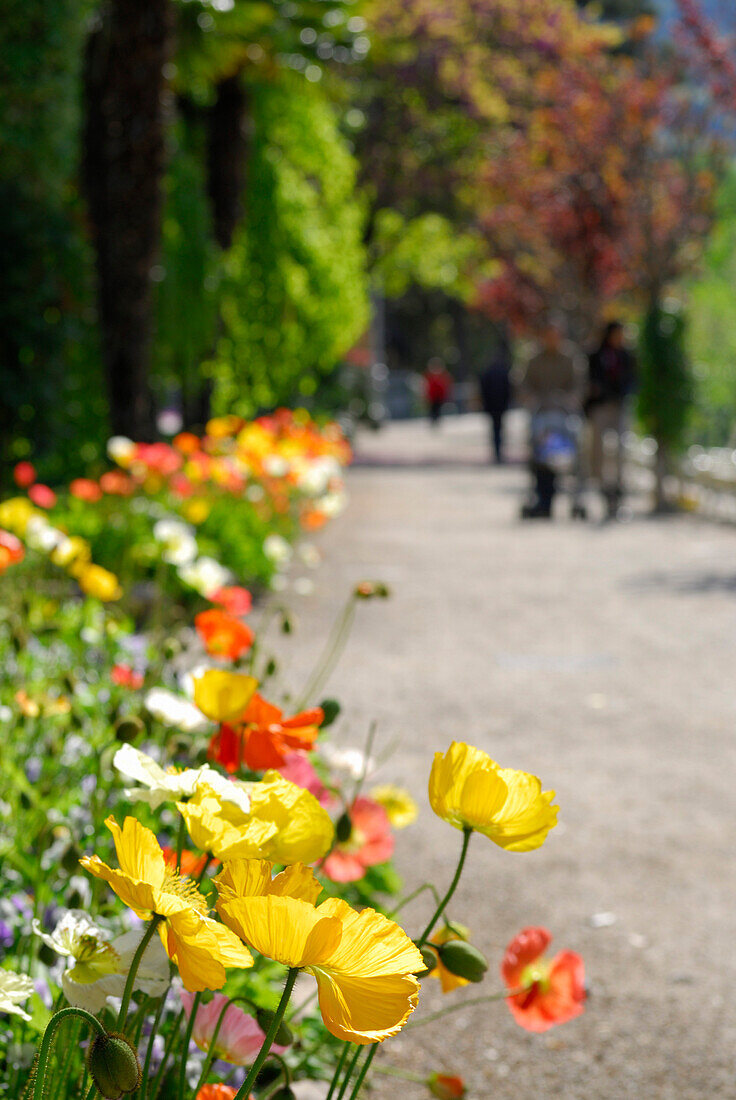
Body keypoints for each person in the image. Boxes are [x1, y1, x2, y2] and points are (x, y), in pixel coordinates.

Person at [517, 321, 581, 518]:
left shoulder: (570, 358)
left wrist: (571, 399)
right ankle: (542, 499)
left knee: (573, 455)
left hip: (564, 414)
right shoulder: (534, 359)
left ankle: (576, 498)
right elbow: (524, 385)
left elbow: (578, 385)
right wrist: (531, 398)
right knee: (539, 456)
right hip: (541, 413)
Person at [585, 321, 636, 519]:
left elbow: (633, 380)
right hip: (601, 408)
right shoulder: (596, 355)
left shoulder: (627, 355)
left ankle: (619, 492)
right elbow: (591, 382)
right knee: (600, 452)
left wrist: (623, 392)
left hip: (620, 407)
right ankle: (604, 490)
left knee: (620, 450)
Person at [479, 338, 513, 463]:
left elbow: (482, 388)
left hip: (492, 404)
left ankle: (497, 451)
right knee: (499, 428)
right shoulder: (503, 371)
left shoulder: (487, 371)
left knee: (495, 428)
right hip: (501, 404)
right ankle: (499, 451)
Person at [423, 358, 452, 427]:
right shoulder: (430, 376)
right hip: (432, 397)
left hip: (439, 397)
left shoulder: (442, 376)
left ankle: (436, 420)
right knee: (432, 410)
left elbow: (445, 386)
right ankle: (433, 420)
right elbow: (426, 387)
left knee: (437, 410)